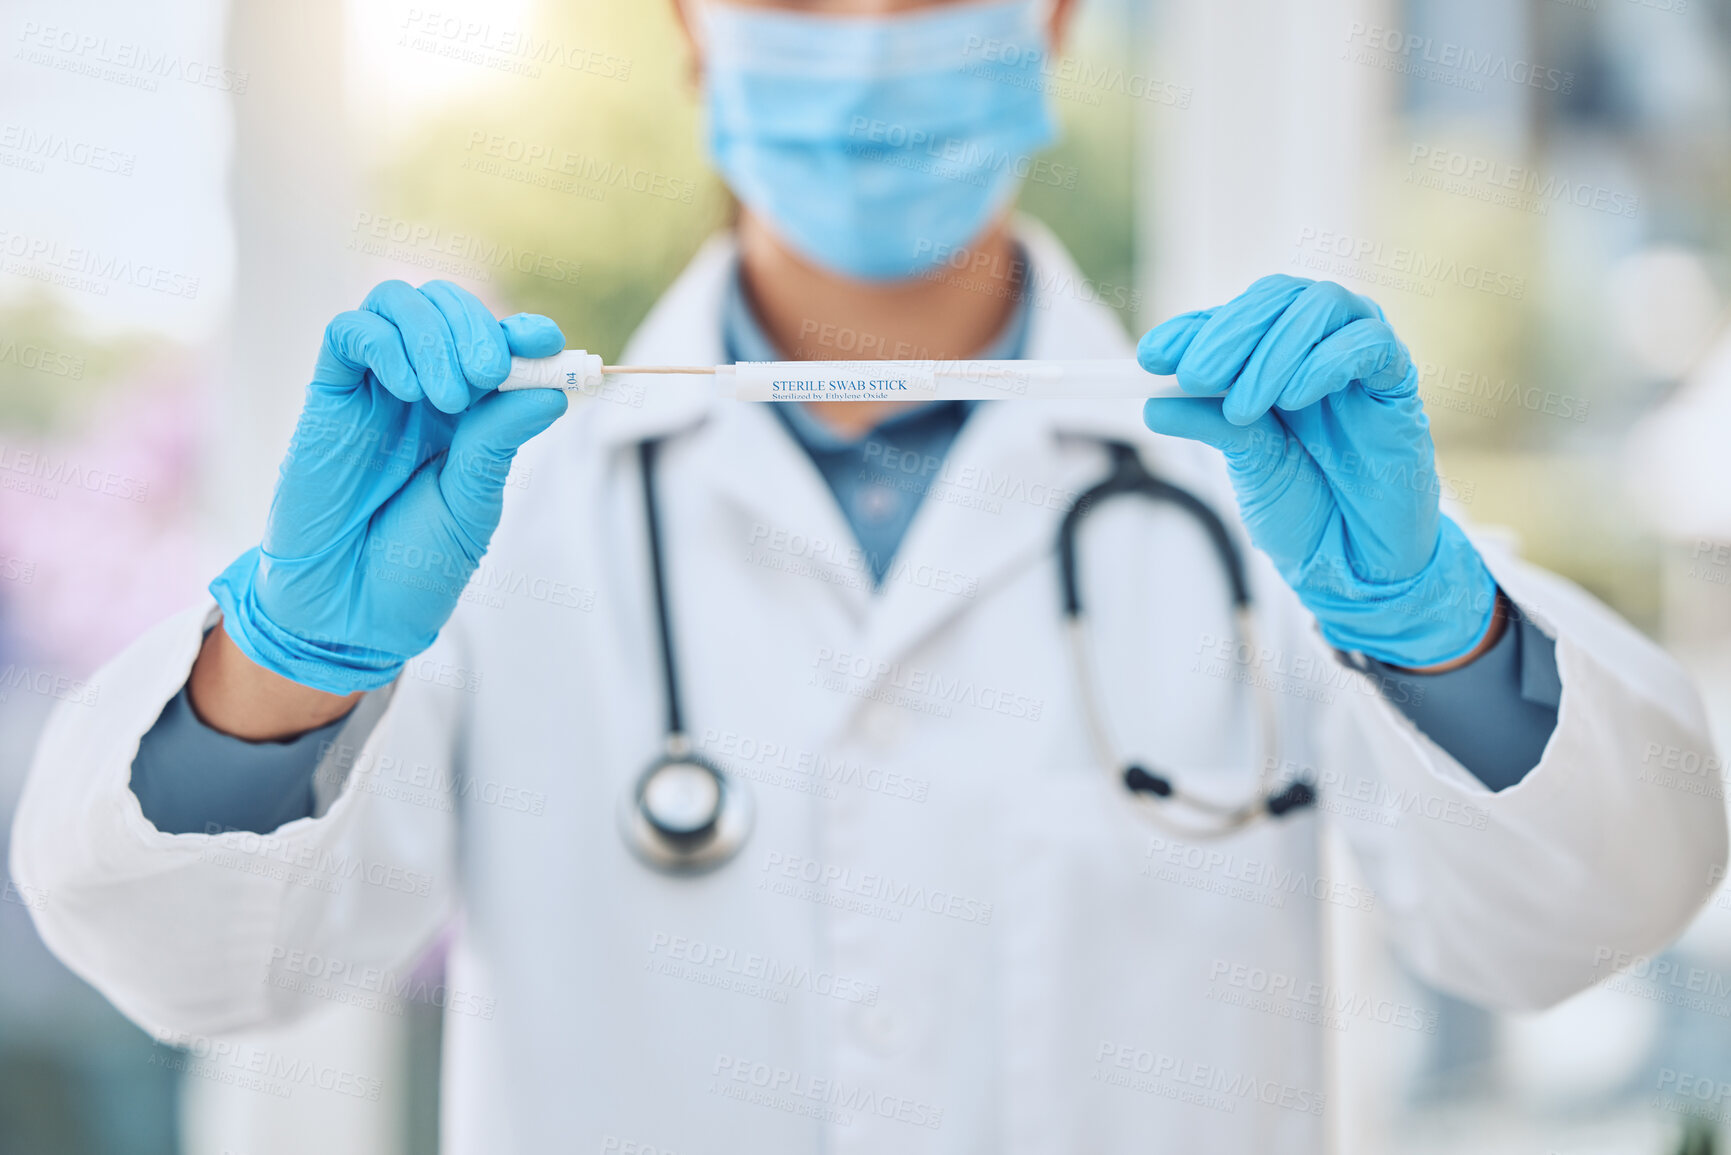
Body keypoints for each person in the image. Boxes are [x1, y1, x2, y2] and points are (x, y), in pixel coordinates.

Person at [10, 0, 1725, 1150]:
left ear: (1054, 26)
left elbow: (1589, 910)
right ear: (694, 37)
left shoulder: (1271, 493)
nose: (870, 43)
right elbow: (203, 968)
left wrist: (1430, 625)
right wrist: (290, 659)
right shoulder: (504, 509)